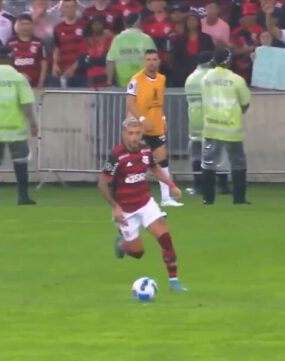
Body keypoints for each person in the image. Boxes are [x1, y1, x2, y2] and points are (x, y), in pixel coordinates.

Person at [98, 117, 187, 292]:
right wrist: (115, 207)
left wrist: (171, 185)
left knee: (165, 238)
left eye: (138, 133)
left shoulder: (145, 151)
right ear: (124, 134)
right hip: (126, 211)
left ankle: (174, 281)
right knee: (138, 253)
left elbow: (154, 168)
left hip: (145, 204)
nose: (134, 138)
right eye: (131, 134)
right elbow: (102, 183)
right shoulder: (117, 156)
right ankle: (122, 245)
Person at [0, 45, 38, 206]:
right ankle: (22, 196)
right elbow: (26, 105)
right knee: (20, 161)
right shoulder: (18, 78)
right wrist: (33, 123)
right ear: (12, 58)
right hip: (15, 127)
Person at [126, 49, 182, 207]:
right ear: (144, 62)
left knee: (162, 160)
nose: (151, 62)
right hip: (140, 128)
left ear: (159, 61)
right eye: (148, 59)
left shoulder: (161, 79)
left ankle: (166, 198)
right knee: (136, 162)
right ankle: (132, 196)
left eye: (154, 59)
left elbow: (160, 102)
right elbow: (130, 103)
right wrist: (142, 120)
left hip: (156, 126)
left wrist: (163, 118)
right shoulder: (136, 80)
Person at [200, 48, 251, 205]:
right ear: (228, 61)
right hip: (231, 128)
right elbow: (245, 103)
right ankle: (239, 198)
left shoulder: (205, 78)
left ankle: (208, 199)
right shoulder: (236, 79)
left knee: (208, 164)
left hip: (210, 128)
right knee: (237, 163)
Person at [184, 51, 229, 196]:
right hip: (214, 119)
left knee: (197, 153)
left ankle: (199, 185)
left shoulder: (190, 79)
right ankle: (222, 185)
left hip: (196, 120)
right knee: (219, 154)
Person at [106, 13, 156, 88]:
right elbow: (154, 62)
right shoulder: (146, 39)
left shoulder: (117, 39)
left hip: (123, 85)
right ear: (137, 22)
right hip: (143, 84)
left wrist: (109, 82)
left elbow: (110, 61)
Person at [170, 13, 214, 87]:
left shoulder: (206, 38)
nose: (191, 22)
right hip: (183, 74)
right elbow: (176, 58)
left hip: (203, 74)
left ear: (198, 22)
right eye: (189, 20)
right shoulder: (178, 39)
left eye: (194, 20)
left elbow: (210, 56)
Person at [8, 14, 48, 89]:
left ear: (32, 26)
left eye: (27, 24)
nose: (25, 27)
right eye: (22, 24)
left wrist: (41, 82)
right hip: (15, 84)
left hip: (35, 84)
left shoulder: (39, 42)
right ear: (17, 26)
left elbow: (44, 63)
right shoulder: (10, 43)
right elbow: (7, 64)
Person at [52, 0, 86, 88]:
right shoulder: (57, 28)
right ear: (62, 9)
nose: (69, 9)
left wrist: (74, 67)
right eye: (67, 7)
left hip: (81, 73)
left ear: (76, 8)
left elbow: (87, 50)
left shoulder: (84, 26)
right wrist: (55, 64)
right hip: (63, 72)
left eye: (72, 6)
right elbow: (57, 48)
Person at [81, 15, 113, 88]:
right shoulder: (87, 41)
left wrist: (90, 59)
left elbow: (107, 60)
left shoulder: (109, 39)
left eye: (99, 24)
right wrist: (97, 60)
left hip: (105, 79)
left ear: (103, 25)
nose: (97, 26)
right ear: (91, 25)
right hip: (89, 80)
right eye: (94, 24)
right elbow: (82, 61)